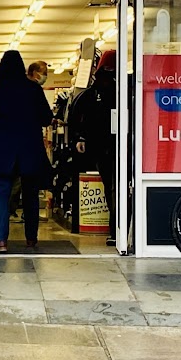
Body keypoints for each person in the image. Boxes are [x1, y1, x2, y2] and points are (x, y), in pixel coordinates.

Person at [0, 49, 51, 253]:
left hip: (2, 149)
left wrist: (0, 131)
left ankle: (1, 242)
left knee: (1, 194)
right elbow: (46, 117)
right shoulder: (33, 89)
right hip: (30, 148)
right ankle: (31, 239)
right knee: (30, 194)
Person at [66, 48, 118, 231]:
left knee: (110, 185)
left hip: (99, 146)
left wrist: (80, 137)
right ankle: (118, 226)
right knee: (118, 186)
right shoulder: (124, 87)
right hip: (121, 145)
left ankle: (115, 227)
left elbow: (76, 116)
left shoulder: (92, 92)